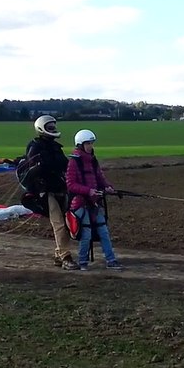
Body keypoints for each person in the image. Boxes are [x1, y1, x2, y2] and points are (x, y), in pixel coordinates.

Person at [65, 129, 123, 270]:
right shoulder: (74, 162)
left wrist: (108, 187)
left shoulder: (93, 161)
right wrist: (88, 191)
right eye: (88, 143)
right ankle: (83, 262)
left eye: (91, 143)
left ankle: (111, 260)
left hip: (95, 202)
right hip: (80, 203)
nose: (91, 146)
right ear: (80, 145)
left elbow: (100, 178)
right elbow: (70, 184)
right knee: (86, 233)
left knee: (103, 231)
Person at [22, 115, 75, 269]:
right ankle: (66, 257)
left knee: (66, 223)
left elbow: (66, 166)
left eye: (53, 126)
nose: (53, 129)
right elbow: (35, 170)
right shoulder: (35, 147)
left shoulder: (56, 147)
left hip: (61, 188)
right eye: (49, 127)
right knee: (58, 223)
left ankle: (59, 255)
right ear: (42, 128)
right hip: (45, 192)